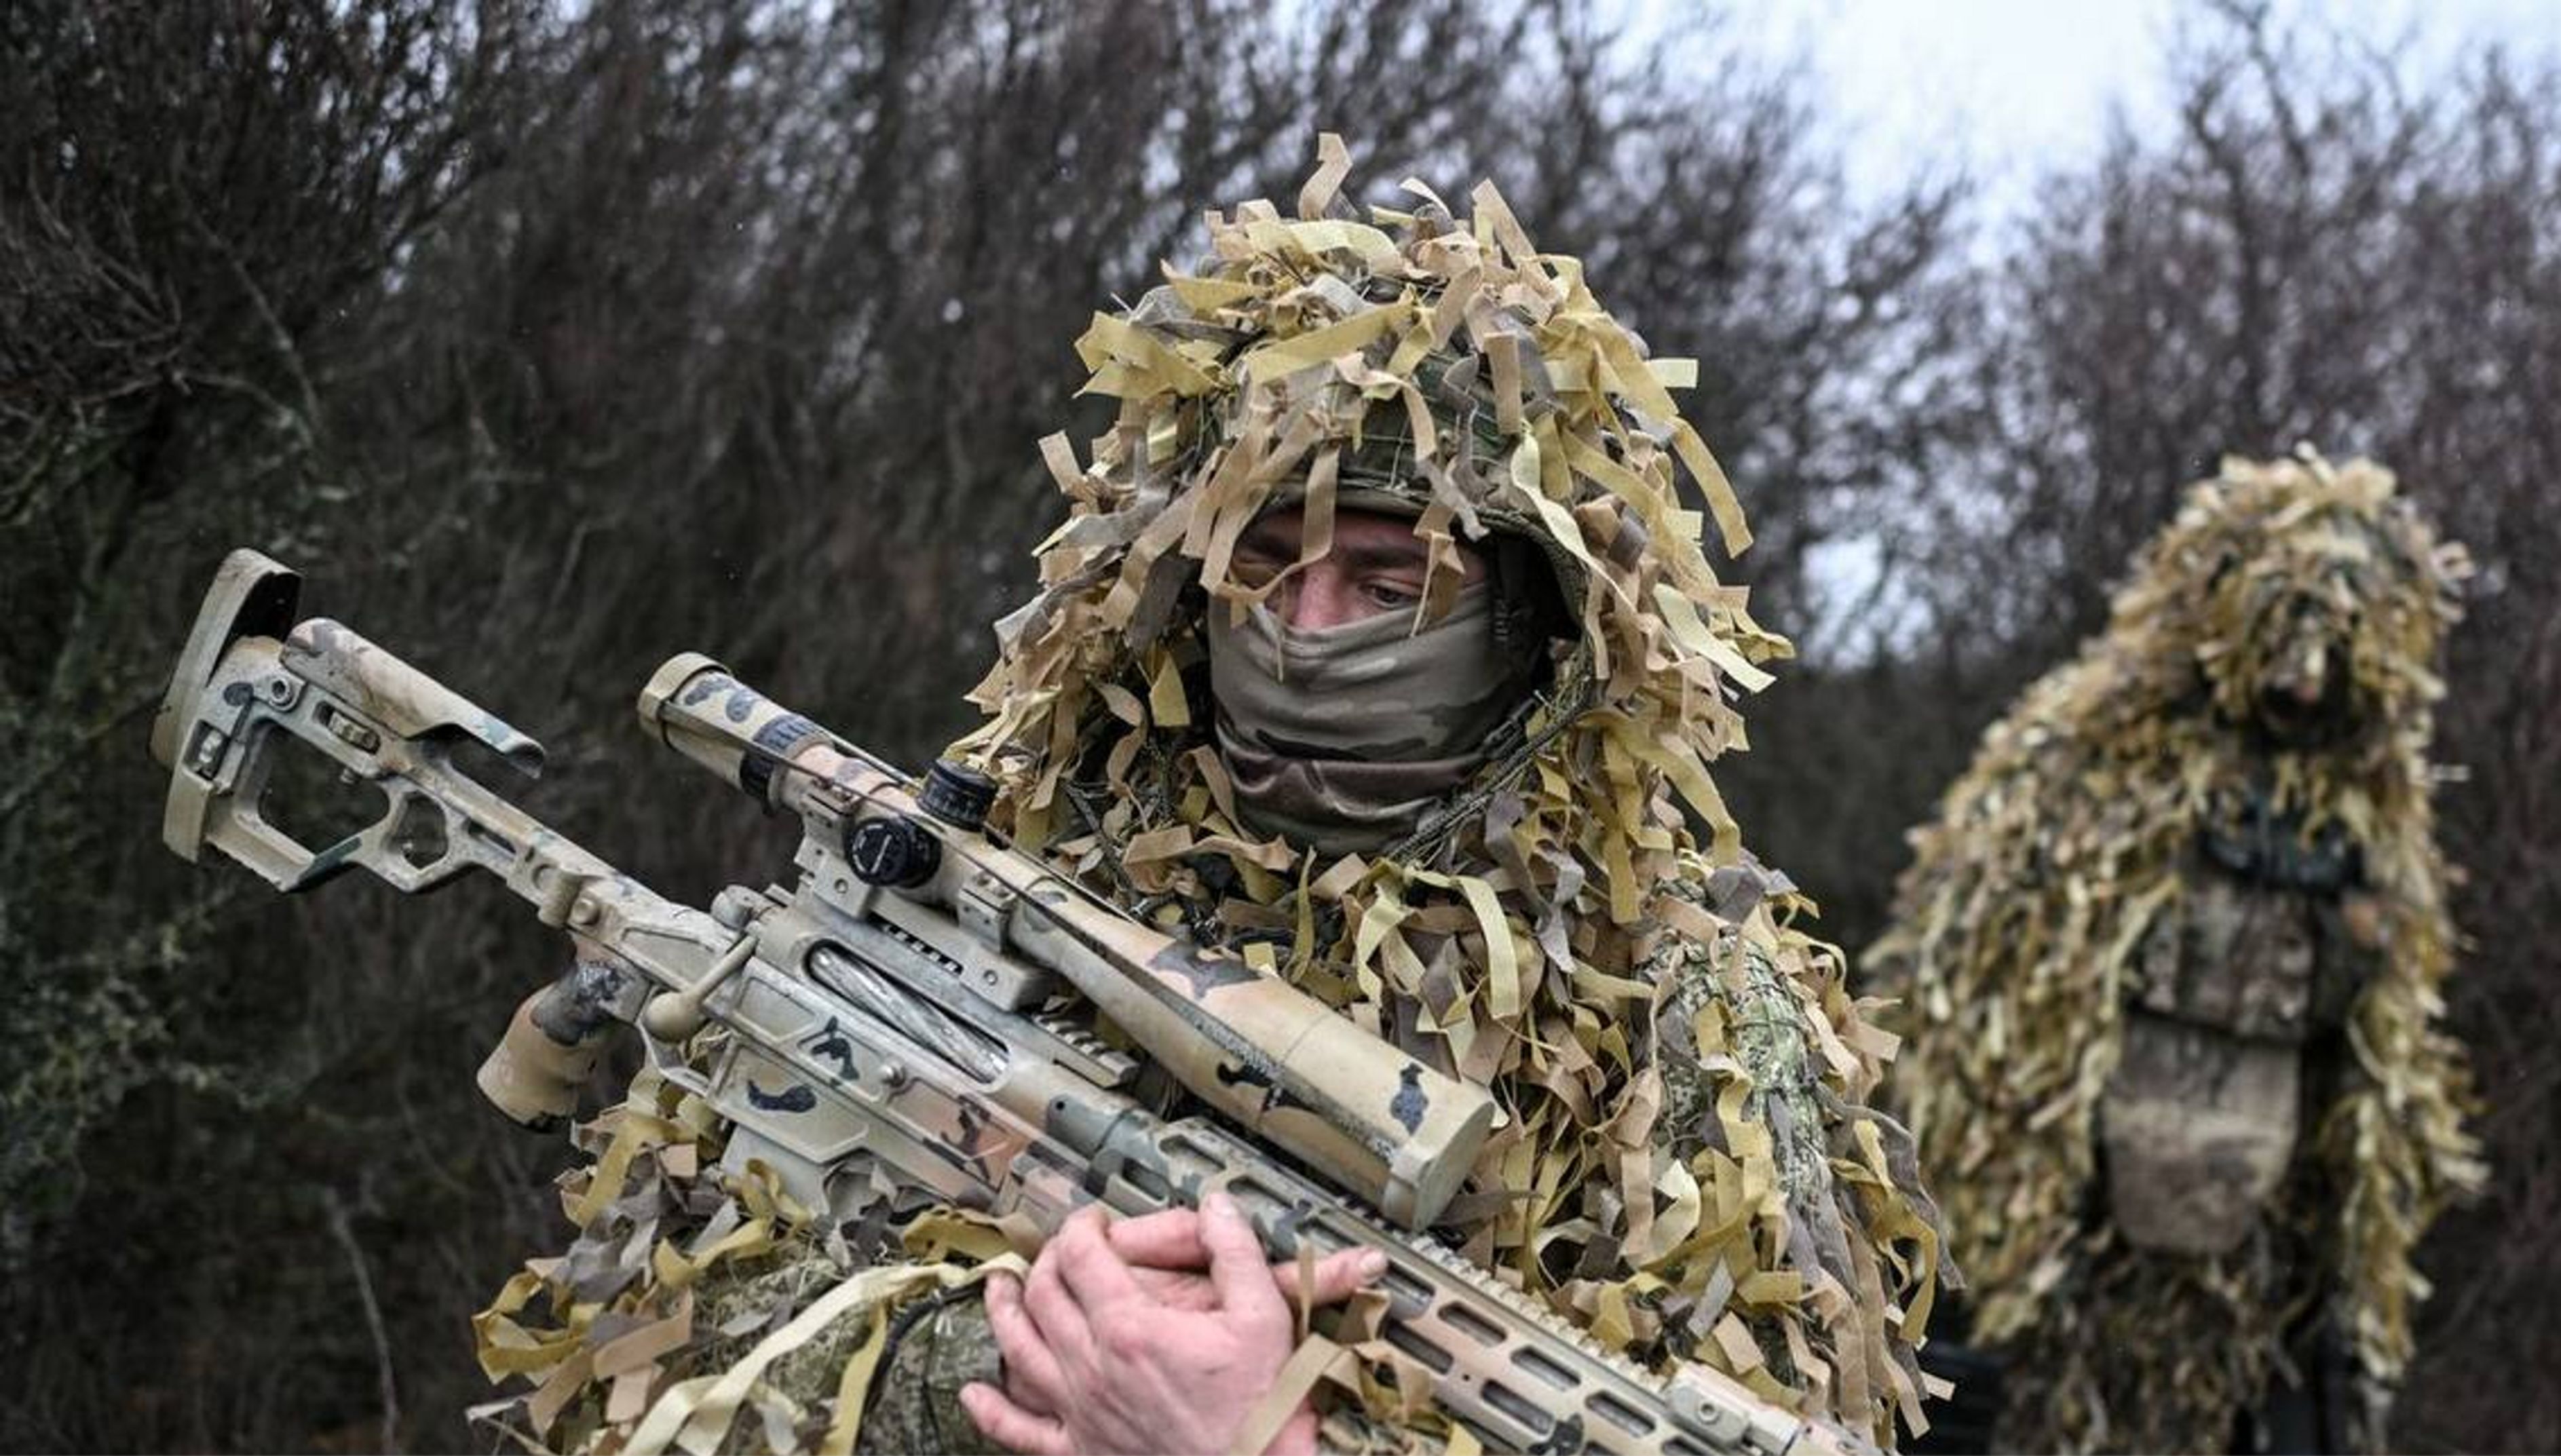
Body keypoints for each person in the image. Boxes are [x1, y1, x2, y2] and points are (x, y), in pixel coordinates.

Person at [472, 138, 1945, 1456]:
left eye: (1387, 582)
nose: (1310, 633)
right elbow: (655, 1346)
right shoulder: (1002, 888)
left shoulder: (1679, 1003)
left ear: (1531, 630)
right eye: (1261, 567)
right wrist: (1000, 1370)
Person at [1865, 453, 2481, 1453]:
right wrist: (1973, 1275)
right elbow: (1977, 1034)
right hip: (2080, 1266)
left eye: (2332, 645)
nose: (2302, 678)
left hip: (2242, 1280)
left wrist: (2338, 1286)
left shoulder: (2371, 824)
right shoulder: (2082, 769)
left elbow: (2375, 1069)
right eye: (2280, 636)